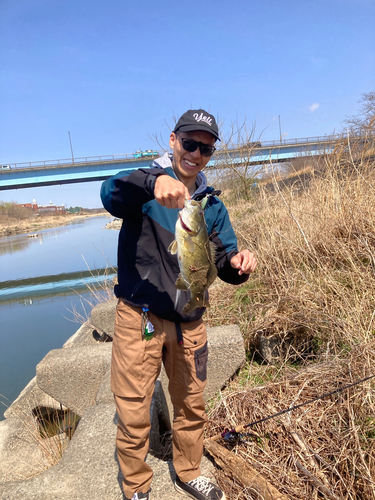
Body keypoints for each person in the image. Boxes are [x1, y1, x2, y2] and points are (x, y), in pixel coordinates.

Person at [100, 109, 257, 500]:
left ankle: (188, 471)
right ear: (173, 141)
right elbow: (109, 193)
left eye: (205, 148)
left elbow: (222, 260)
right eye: (189, 143)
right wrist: (155, 181)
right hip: (141, 317)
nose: (196, 153)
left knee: (191, 403)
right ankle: (136, 486)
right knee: (134, 409)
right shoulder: (142, 186)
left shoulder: (212, 206)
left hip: (190, 320)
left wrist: (238, 267)